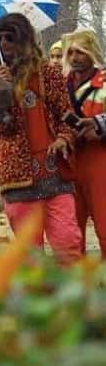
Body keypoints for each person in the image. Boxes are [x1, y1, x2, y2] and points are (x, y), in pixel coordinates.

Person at [0, 13, 82, 263]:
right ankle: (40, 302)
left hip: (56, 175)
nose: (4, 43)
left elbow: (67, 116)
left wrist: (63, 137)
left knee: (68, 244)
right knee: (31, 257)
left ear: (25, 39)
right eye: (0, 40)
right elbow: (2, 127)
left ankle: (72, 301)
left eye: (11, 37)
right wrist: (1, 91)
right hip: (17, 181)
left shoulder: (49, 73)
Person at [62, 28, 106, 255]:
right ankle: (77, 285)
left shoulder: (104, 81)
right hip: (69, 161)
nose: (74, 58)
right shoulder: (60, 84)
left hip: (99, 161)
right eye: (70, 53)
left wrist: (100, 124)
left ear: (92, 51)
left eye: (80, 52)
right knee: (70, 232)